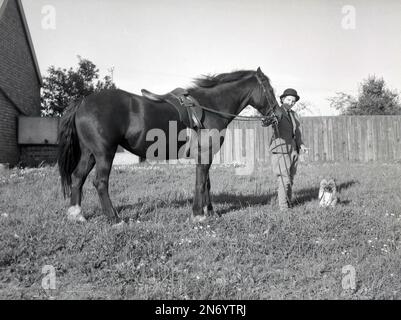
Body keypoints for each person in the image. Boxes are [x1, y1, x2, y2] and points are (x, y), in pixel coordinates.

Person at [262, 88, 308, 211]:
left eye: (293, 101)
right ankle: (283, 208)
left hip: (293, 150)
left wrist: (301, 145)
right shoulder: (277, 112)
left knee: (290, 178)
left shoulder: (294, 114)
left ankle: (288, 202)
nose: (291, 103)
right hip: (280, 149)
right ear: (282, 100)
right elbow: (267, 121)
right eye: (288, 100)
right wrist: (268, 120)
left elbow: (297, 132)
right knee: (284, 179)